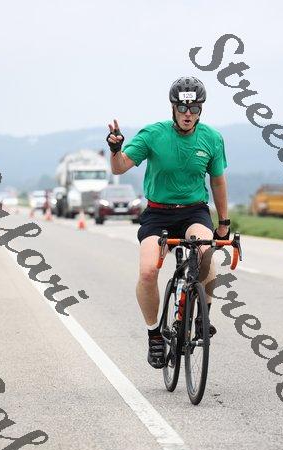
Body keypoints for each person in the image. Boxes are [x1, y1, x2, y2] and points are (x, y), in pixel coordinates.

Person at [106, 76, 230, 369]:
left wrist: (223, 223)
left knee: (207, 254)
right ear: (173, 108)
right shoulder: (153, 134)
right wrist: (115, 149)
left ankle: (202, 318)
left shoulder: (212, 138)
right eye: (183, 108)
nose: (188, 114)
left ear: (201, 110)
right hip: (158, 213)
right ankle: (154, 335)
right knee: (149, 271)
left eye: (194, 108)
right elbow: (120, 168)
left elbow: (217, 181)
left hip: (194, 211)